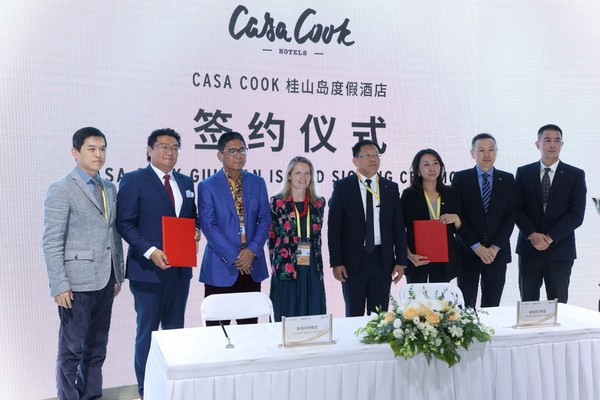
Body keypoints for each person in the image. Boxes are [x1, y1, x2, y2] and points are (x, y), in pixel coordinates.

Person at [116, 128, 199, 398]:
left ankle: (172, 388)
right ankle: (146, 390)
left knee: (175, 333)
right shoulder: (134, 180)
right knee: (148, 333)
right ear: (149, 150)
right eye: (164, 146)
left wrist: (196, 230)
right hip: (148, 271)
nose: (170, 152)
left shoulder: (186, 182)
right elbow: (125, 223)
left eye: (175, 148)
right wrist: (150, 251)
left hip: (180, 271)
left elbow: (192, 217)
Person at [42, 127, 125, 399]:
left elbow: (112, 232)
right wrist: (59, 284)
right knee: (72, 350)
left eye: (102, 149)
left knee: (97, 346)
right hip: (75, 284)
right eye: (91, 149)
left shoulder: (109, 187)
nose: (98, 154)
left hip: (106, 280)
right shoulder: (61, 189)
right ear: (75, 152)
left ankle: (91, 395)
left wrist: (118, 273)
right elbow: (52, 241)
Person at [197, 131, 270, 324]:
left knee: (249, 329)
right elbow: (208, 225)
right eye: (233, 151)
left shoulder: (257, 183)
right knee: (218, 331)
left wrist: (252, 251)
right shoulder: (207, 186)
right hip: (221, 267)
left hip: (251, 266)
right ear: (220, 155)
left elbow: (265, 219)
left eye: (242, 150)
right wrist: (236, 257)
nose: (239, 155)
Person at [328, 140, 407, 317]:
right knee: (353, 314)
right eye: (367, 155)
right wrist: (336, 262)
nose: (373, 159)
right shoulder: (343, 187)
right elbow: (334, 229)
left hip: (382, 259)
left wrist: (401, 260)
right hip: (353, 261)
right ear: (355, 161)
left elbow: (398, 227)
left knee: (379, 316)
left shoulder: (390, 188)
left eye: (376, 155)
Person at [515, 124, 586, 303]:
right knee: (528, 304)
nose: (552, 144)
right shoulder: (523, 172)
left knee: (558, 305)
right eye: (547, 140)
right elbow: (516, 208)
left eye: (557, 140)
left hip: (560, 250)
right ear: (537, 144)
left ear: (562, 144)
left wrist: (550, 237)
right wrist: (532, 235)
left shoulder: (575, 175)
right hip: (529, 249)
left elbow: (576, 214)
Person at [452, 134, 516, 307]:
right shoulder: (461, 179)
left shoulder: (508, 179)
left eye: (491, 150)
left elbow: (510, 217)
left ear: (496, 152)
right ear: (472, 153)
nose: (487, 154)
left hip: (497, 255)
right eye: (481, 150)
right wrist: (477, 247)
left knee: (492, 306)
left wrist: (494, 248)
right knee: (466, 307)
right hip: (468, 252)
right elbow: (458, 217)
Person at [268, 156, 327, 321]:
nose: (303, 177)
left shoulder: (318, 203)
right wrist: (276, 264)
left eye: (307, 173)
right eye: (298, 173)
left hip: (311, 264)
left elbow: (318, 236)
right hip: (286, 264)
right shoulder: (277, 202)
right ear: (289, 175)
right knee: (287, 312)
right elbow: (271, 236)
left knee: (312, 313)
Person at [401, 149, 461, 283]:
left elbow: (459, 229)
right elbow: (399, 229)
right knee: (417, 296)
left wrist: (456, 219)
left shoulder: (450, 193)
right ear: (417, 169)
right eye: (426, 164)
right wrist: (409, 255)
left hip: (444, 260)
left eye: (435, 163)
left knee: (441, 296)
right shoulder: (409, 195)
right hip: (417, 259)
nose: (432, 168)